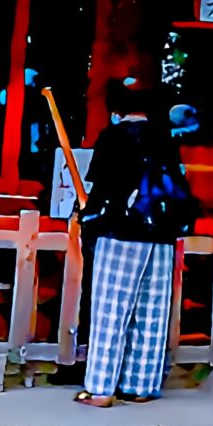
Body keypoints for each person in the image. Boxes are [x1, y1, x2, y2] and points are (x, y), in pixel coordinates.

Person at [75, 75, 197, 407]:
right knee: (151, 310)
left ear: (117, 108)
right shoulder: (164, 138)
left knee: (111, 309)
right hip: (162, 233)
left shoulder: (113, 137)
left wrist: (87, 215)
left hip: (121, 232)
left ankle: (101, 388)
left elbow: (103, 188)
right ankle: (141, 385)